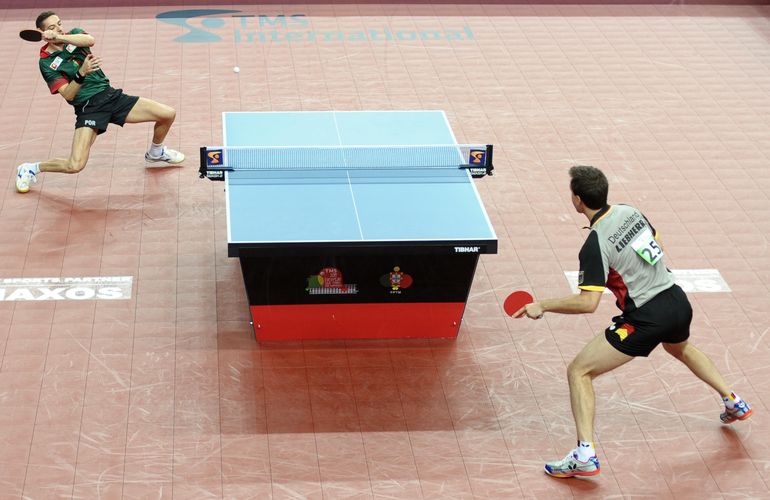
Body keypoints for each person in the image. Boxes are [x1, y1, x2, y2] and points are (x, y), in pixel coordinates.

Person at [516, 165, 752, 479]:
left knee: (579, 371)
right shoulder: (631, 211)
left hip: (645, 317)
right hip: (676, 300)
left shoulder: (595, 242)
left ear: (577, 200)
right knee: (680, 348)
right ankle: (733, 401)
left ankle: (584, 454)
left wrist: (542, 305)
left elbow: (588, 302)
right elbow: (657, 244)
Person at [15, 11, 184, 193]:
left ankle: (156, 152)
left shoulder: (73, 36)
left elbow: (90, 40)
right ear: (41, 33)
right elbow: (68, 95)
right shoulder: (46, 63)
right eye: (51, 27)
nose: (59, 28)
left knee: (167, 114)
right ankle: (31, 168)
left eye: (59, 24)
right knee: (75, 165)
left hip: (111, 96)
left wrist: (59, 36)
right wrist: (81, 73)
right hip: (89, 108)